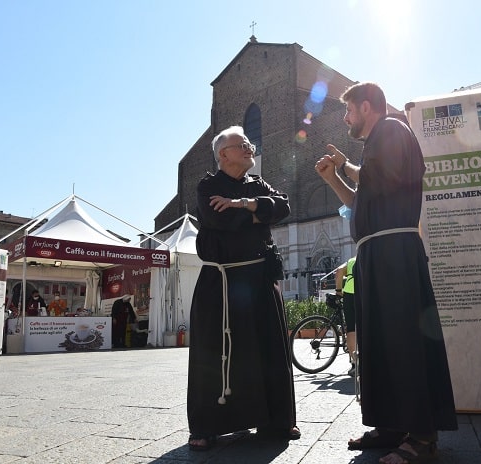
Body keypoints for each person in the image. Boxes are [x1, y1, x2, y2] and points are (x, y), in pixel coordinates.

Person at [315, 82, 457, 464]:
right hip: (376, 254)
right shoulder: (375, 145)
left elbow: (377, 178)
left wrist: (344, 164)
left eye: (348, 111)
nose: (345, 118)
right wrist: (333, 177)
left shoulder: (393, 130)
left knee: (403, 340)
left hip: (395, 252)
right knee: (380, 342)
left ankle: (423, 437)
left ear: (366, 106)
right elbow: (357, 199)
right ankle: (394, 424)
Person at [186, 125, 298, 451]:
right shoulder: (208, 185)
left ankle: (276, 421)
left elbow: (283, 207)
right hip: (221, 281)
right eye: (242, 145)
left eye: (248, 143)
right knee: (214, 354)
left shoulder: (256, 184)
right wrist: (256, 215)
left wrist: (244, 205)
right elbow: (218, 220)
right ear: (224, 154)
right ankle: (207, 427)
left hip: (259, 279)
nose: (250, 147)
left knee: (269, 350)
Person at [335, 256, 357, 376]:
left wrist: (339, 291)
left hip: (349, 294)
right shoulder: (370, 256)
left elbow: (338, 272)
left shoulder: (351, 260)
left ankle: (355, 363)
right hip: (365, 292)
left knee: (351, 329)